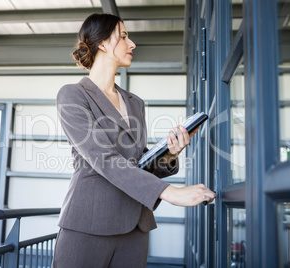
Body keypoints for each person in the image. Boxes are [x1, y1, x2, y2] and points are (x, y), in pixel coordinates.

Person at [53, 13, 216, 268]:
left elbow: (139, 163)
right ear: (103, 44)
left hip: (135, 225)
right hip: (89, 224)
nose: (132, 44)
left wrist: (171, 152)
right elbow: (104, 159)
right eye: (124, 36)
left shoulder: (135, 103)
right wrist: (170, 193)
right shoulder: (73, 96)